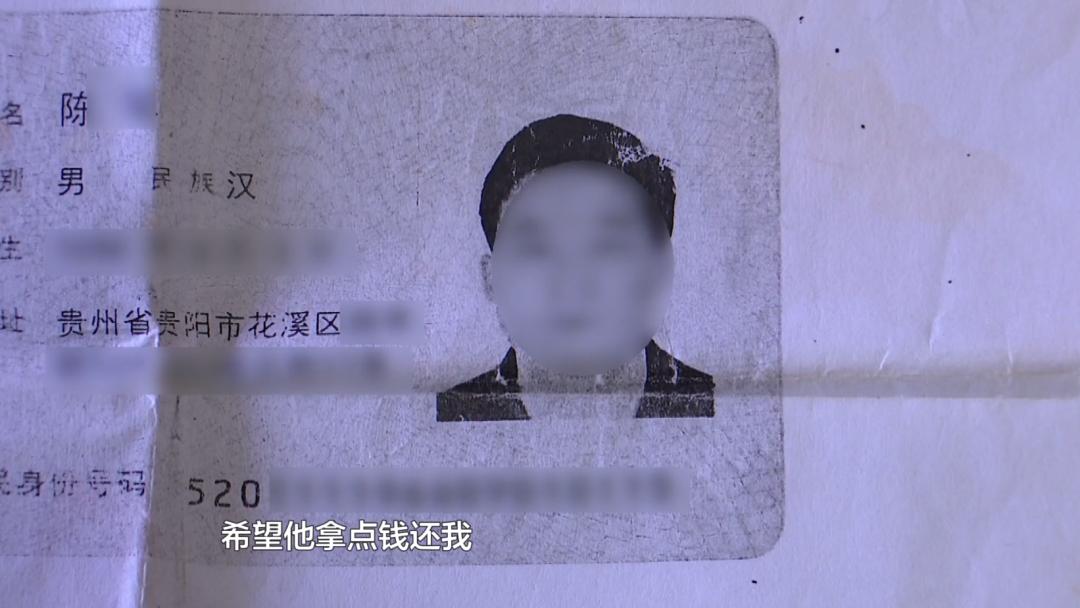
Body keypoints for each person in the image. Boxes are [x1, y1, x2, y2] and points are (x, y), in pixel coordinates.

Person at [437, 114, 714, 421]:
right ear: (491, 279)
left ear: (656, 269)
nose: (572, 282)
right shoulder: (453, 413)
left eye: (607, 246)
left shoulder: (716, 403)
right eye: (537, 249)